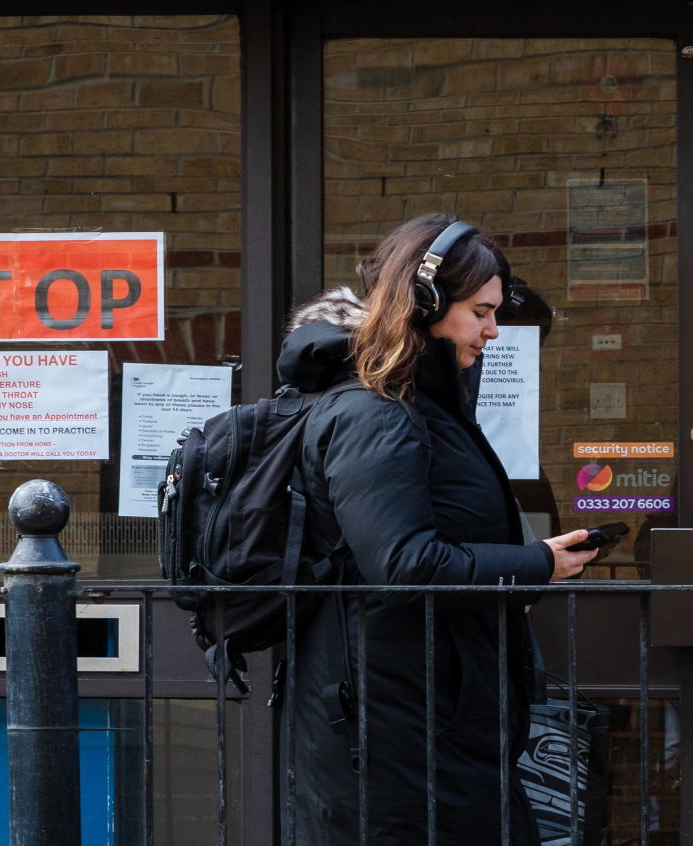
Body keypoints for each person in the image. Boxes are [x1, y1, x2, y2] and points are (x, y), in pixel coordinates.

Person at [277, 213, 598, 845]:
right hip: (398, 737)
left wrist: (508, 580)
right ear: (423, 302)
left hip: (434, 722)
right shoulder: (376, 413)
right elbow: (405, 565)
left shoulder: (423, 406)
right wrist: (536, 564)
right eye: (480, 312)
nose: (493, 330)